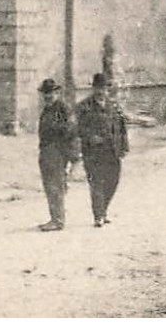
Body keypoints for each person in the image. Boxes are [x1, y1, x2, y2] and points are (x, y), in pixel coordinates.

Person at [73, 72, 129, 227]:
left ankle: (103, 210)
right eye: (98, 88)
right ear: (93, 88)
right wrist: (90, 137)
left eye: (104, 88)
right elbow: (77, 128)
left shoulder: (114, 106)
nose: (101, 91)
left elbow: (122, 128)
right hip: (93, 152)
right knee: (96, 182)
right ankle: (98, 215)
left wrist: (124, 146)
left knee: (113, 181)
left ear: (107, 89)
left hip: (112, 151)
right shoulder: (83, 107)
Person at [36, 77, 75, 232]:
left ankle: (58, 220)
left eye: (51, 93)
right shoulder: (47, 109)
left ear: (57, 92)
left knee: (55, 186)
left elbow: (71, 131)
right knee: (49, 185)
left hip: (57, 152)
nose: (48, 96)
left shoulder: (62, 109)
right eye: (45, 93)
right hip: (46, 151)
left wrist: (69, 156)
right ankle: (55, 218)